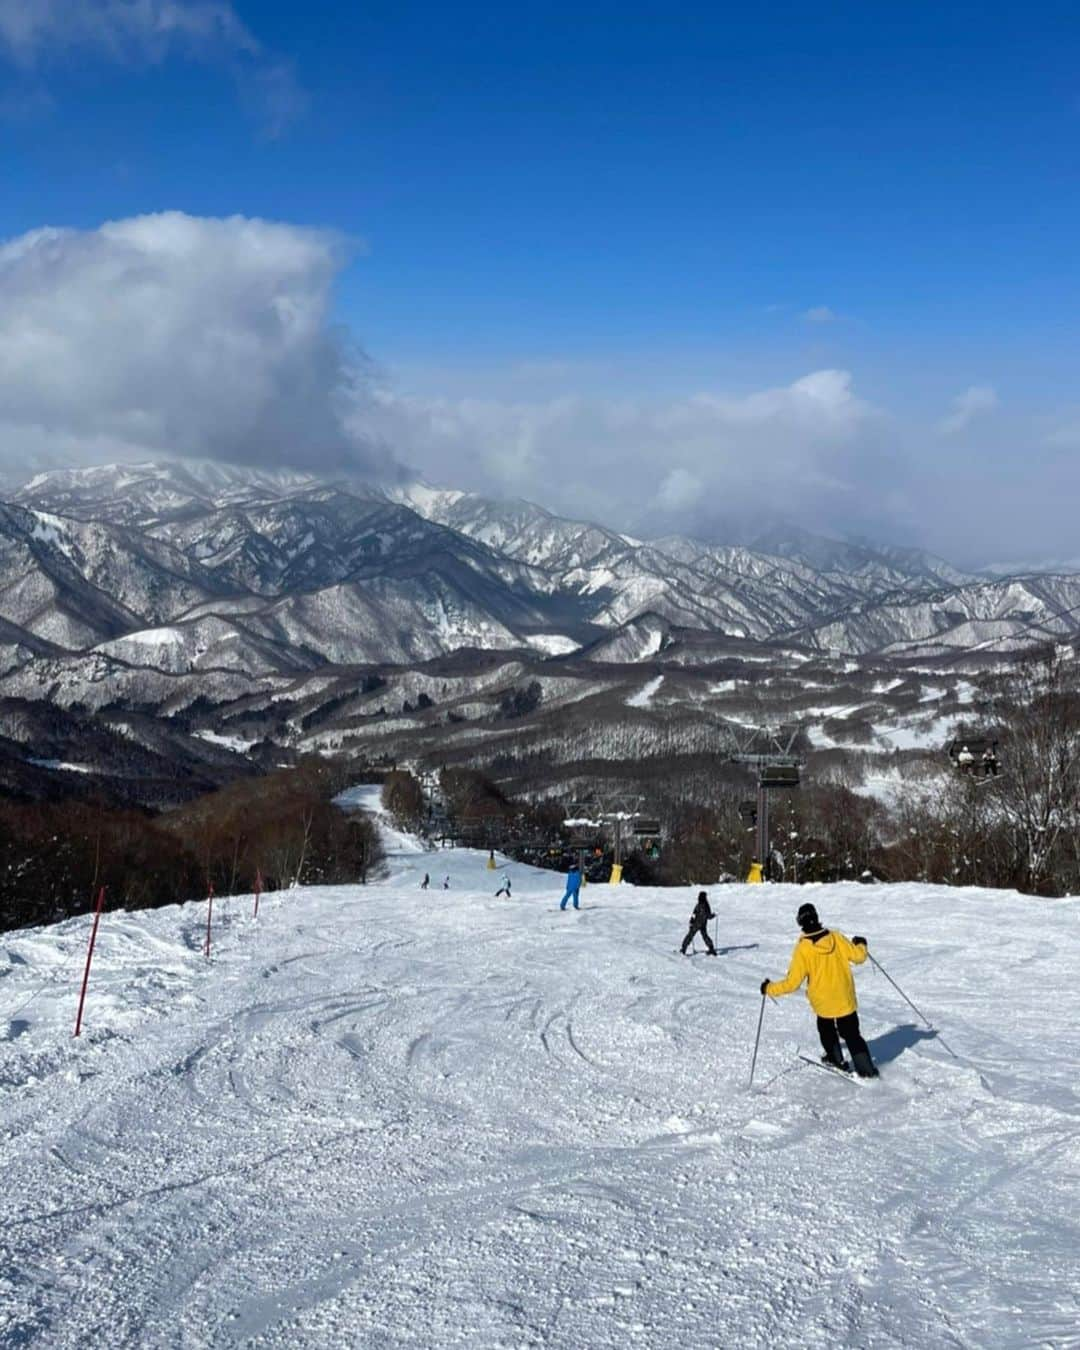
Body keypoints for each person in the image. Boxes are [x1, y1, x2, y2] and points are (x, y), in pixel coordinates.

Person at [760, 902, 879, 1078]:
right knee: (852, 1034)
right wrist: (861, 944)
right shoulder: (836, 937)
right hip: (845, 999)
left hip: (823, 1003)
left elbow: (792, 983)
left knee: (826, 1030)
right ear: (816, 917)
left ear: (800, 923)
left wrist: (769, 988)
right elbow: (859, 957)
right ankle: (867, 1071)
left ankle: (836, 1059)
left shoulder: (803, 948)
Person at [681, 890, 717, 955]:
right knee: (705, 936)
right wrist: (714, 915)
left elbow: (694, 914)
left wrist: (691, 921)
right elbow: (708, 916)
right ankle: (711, 949)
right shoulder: (706, 905)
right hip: (703, 924)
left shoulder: (698, 905)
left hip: (696, 924)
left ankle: (683, 949)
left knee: (690, 936)